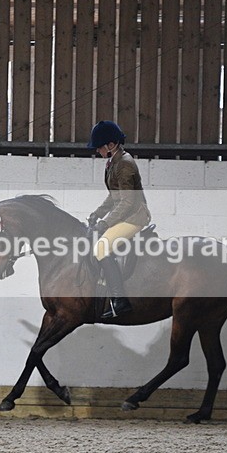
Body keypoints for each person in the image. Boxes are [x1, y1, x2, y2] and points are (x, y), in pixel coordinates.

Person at [87, 120, 151, 319]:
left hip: (134, 217)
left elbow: (127, 202)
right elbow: (114, 196)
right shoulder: (114, 162)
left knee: (101, 248)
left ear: (111, 145)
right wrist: (97, 213)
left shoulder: (124, 164)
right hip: (126, 213)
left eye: (100, 147)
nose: (97, 150)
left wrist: (104, 223)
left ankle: (119, 300)